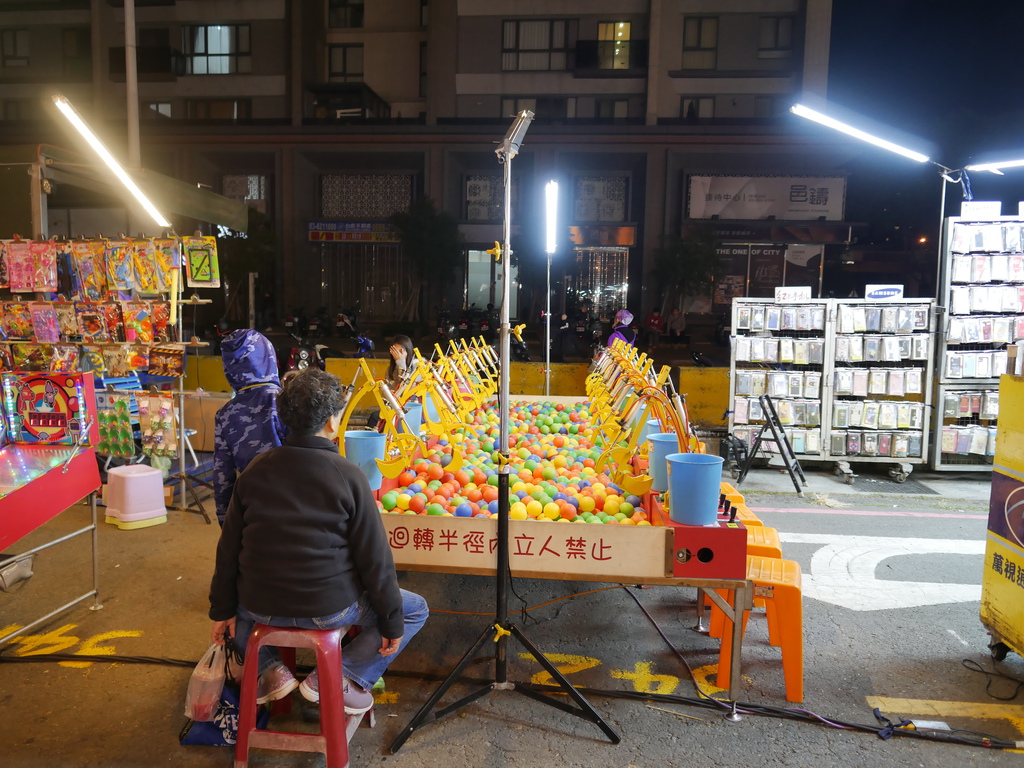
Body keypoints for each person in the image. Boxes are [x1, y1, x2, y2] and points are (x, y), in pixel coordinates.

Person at [208, 368, 429, 713]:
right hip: (329, 609)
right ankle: (339, 676)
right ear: (331, 422)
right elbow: (376, 562)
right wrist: (391, 621)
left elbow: (228, 550)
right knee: (414, 609)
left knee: (229, 611)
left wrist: (220, 610)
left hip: (259, 605)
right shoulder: (349, 476)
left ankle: (269, 672)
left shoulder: (253, 471)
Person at [212, 329, 288, 527]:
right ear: (268, 357)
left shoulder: (225, 414)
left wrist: (224, 522)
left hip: (252, 509)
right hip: (294, 503)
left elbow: (223, 477)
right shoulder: (286, 400)